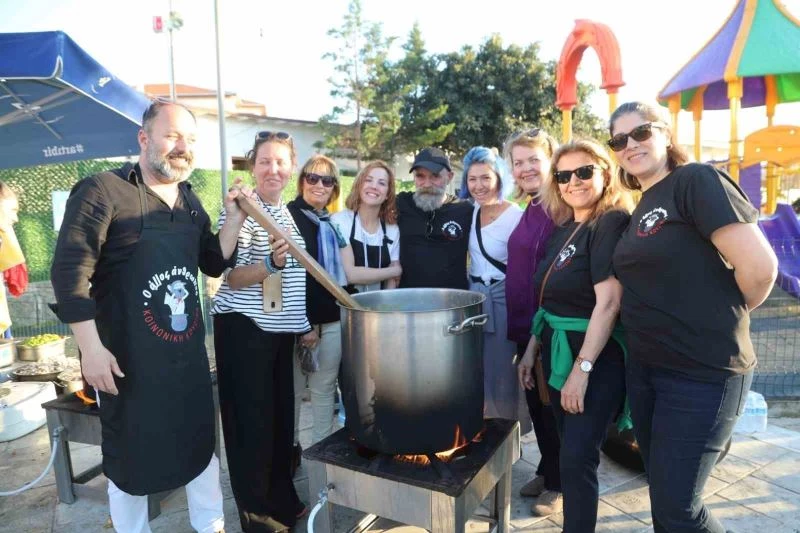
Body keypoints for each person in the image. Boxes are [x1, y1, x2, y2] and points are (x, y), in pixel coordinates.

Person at [50, 101, 243, 533]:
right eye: (172, 136)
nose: (183, 147)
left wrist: (235, 218)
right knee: (129, 459)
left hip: (186, 360)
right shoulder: (102, 190)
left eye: (190, 139)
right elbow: (69, 272)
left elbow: (213, 261)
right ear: (143, 138)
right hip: (127, 362)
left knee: (200, 449)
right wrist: (91, 350)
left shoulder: (190, 200)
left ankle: (211, 526)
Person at [609, 101, 778, 532]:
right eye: (619, 140)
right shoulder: (643, 204)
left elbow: (760, 270)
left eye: (641, 132)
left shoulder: (695, 181)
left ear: (666, 134)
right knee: (664, 497)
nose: (630, 145)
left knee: (680, 509)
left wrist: (717, 314)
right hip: (649, 372)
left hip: (703, 373)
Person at [519, 139, 635, 530]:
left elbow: (609, 304)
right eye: (564, 175)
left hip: (594, 357)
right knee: (568, 450)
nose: (574, 182)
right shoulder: (566, 227)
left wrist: (581, 370)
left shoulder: (610, 222)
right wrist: (532, 349)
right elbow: (549, 299)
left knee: (578, 457)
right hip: (557, 348)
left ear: (605, 172)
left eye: (584, 172)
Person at [212, 131, 309, 532]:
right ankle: (259, 518)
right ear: (252, 166)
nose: (273, 169)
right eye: (265, 161)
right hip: (245, 330)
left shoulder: (282, 211)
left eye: (281, 162)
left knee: (279, 423)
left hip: (277, 332)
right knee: (251, 427)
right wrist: (270, 264)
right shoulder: (242, 209)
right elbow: (231, 277)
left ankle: (281, 499)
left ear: (292, 167)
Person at [503, 129, 562, 512]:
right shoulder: (532, 205)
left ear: (551, 161)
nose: (525, 168)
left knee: (552, 406)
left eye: (533, 160)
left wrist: (539, 335)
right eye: (518, 162)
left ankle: (560, 482)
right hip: (524, 326)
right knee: (537, 405)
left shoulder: (560, 208)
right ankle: (548, 466)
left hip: (548, 329)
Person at [287, 155, 348, 449]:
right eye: (312, 178)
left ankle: (321, 454)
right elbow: (288, 277)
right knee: (294, 392)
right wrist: (305, 325)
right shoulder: (288, 217)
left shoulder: (331, 223)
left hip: (332, 320)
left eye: (327, 180)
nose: (319, 185)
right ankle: (291, 452)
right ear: (302, 181)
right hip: (300, 324)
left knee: (325, 391)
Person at [458, 146, 523, 422]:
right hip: (474, 298)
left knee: (503, 369)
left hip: (502, 299)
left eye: (485, 177)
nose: (479, 185)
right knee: (476, 367)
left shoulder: (515, 216)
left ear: (499, 178)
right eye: (472, 179)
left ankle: (505, 428)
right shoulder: (470, 211)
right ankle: (479, 425)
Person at [396, 147, 472, 289]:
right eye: (420, 176)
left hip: (453, 298)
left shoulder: (466, 210)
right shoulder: (401, 204)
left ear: (449, 177)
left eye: (435, 176)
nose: (427, 184)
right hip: (408, 297)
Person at [331, 160, 402, 293]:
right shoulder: (340, 221)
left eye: (382, 183)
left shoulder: (392, 230)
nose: (374, 186)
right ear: (359, 185)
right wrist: (394, 271)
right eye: (368, 180)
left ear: (388, 194)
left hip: (380, 304)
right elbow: (350, 275)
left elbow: (391, 283)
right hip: (345, 304)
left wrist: (385, 305)